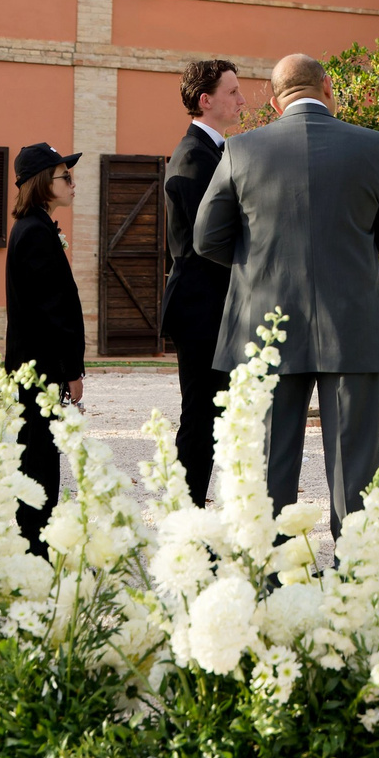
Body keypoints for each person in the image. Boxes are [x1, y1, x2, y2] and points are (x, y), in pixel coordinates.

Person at [193, 53, 379, 537]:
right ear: (329, 89)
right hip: (352, 326)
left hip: (264, 327)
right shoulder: (371, 147)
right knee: (357, 466)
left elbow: (205, 238)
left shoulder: (241, 150)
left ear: (274, 102)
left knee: (270, 461)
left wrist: (260, 260)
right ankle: (357, 577)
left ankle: (273, 576)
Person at [160, 59, 241, 503]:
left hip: (214, 307)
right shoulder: (193, 158)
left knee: (212, 414)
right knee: (201, 415)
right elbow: (203, 243)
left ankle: (194, 505)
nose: (242, 100)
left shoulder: (214, 152)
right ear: (205, 100)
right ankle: (186, 510)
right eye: (232, 92)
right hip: (201, 308)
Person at [3, 144, 86, 554]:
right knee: (38, 460)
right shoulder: (34, 233)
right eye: (64, 177)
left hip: (37, 365)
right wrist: (72, 369)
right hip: (40, 368)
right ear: (41, 184)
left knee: (41, 455)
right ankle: (34, 547)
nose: (73, 183)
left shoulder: (36, 226)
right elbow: (53, 312)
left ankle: (37, 542)